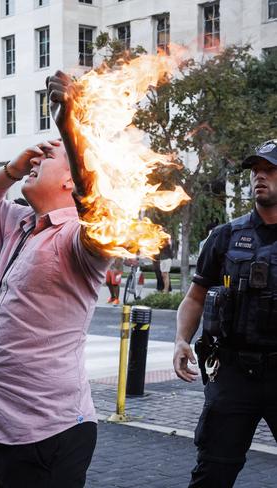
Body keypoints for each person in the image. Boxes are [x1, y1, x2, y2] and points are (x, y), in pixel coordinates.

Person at [0, 72, 111, 488]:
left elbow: (99, 214)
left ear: (70, 180)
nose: (38, 155)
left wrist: (70, 128)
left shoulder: (78, 238)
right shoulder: (20, 223)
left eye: (51, 153)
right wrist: (11, 168)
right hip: (3, 424)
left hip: (52, 431)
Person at [173, 140, 277, 487]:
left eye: (270, 170)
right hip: (234, 373)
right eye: (256, 171)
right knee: (212, 472)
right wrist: (180, 340)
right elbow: (195, 296)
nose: (260, 177)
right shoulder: (226, 236)